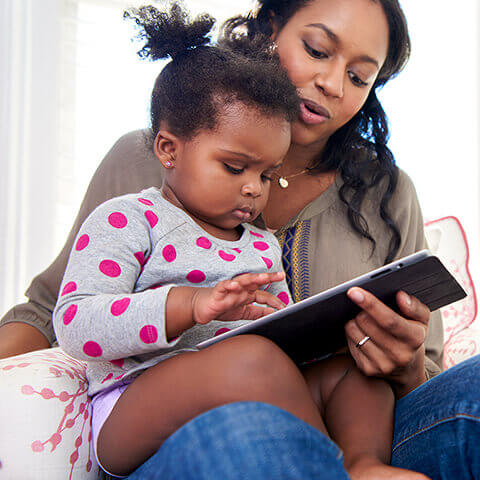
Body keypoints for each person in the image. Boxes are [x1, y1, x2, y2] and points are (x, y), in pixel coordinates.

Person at [1, 0, 479, 479]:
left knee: (351, 372)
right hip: (141, 401)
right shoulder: (133, 208)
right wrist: (188, 304)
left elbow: (287, 337)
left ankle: (364, 465)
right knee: (252, 364)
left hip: (278, 390)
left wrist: (399, 361)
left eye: (359, 77)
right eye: (316, 49)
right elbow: (65, 315)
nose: (332, 84)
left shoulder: (267, 237)